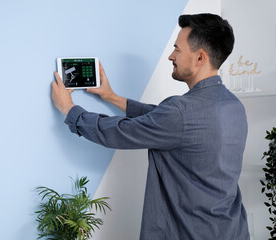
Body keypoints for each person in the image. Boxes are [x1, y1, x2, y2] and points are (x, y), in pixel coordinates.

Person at [51, 13, 249, 240]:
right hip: (233, 231)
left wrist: (70, 110)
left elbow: (120, 131)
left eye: (177, 49)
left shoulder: (180, 113)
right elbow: (163, 121)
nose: (171, 56)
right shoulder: (233, 106)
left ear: (200, 58)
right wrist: (112, 97)